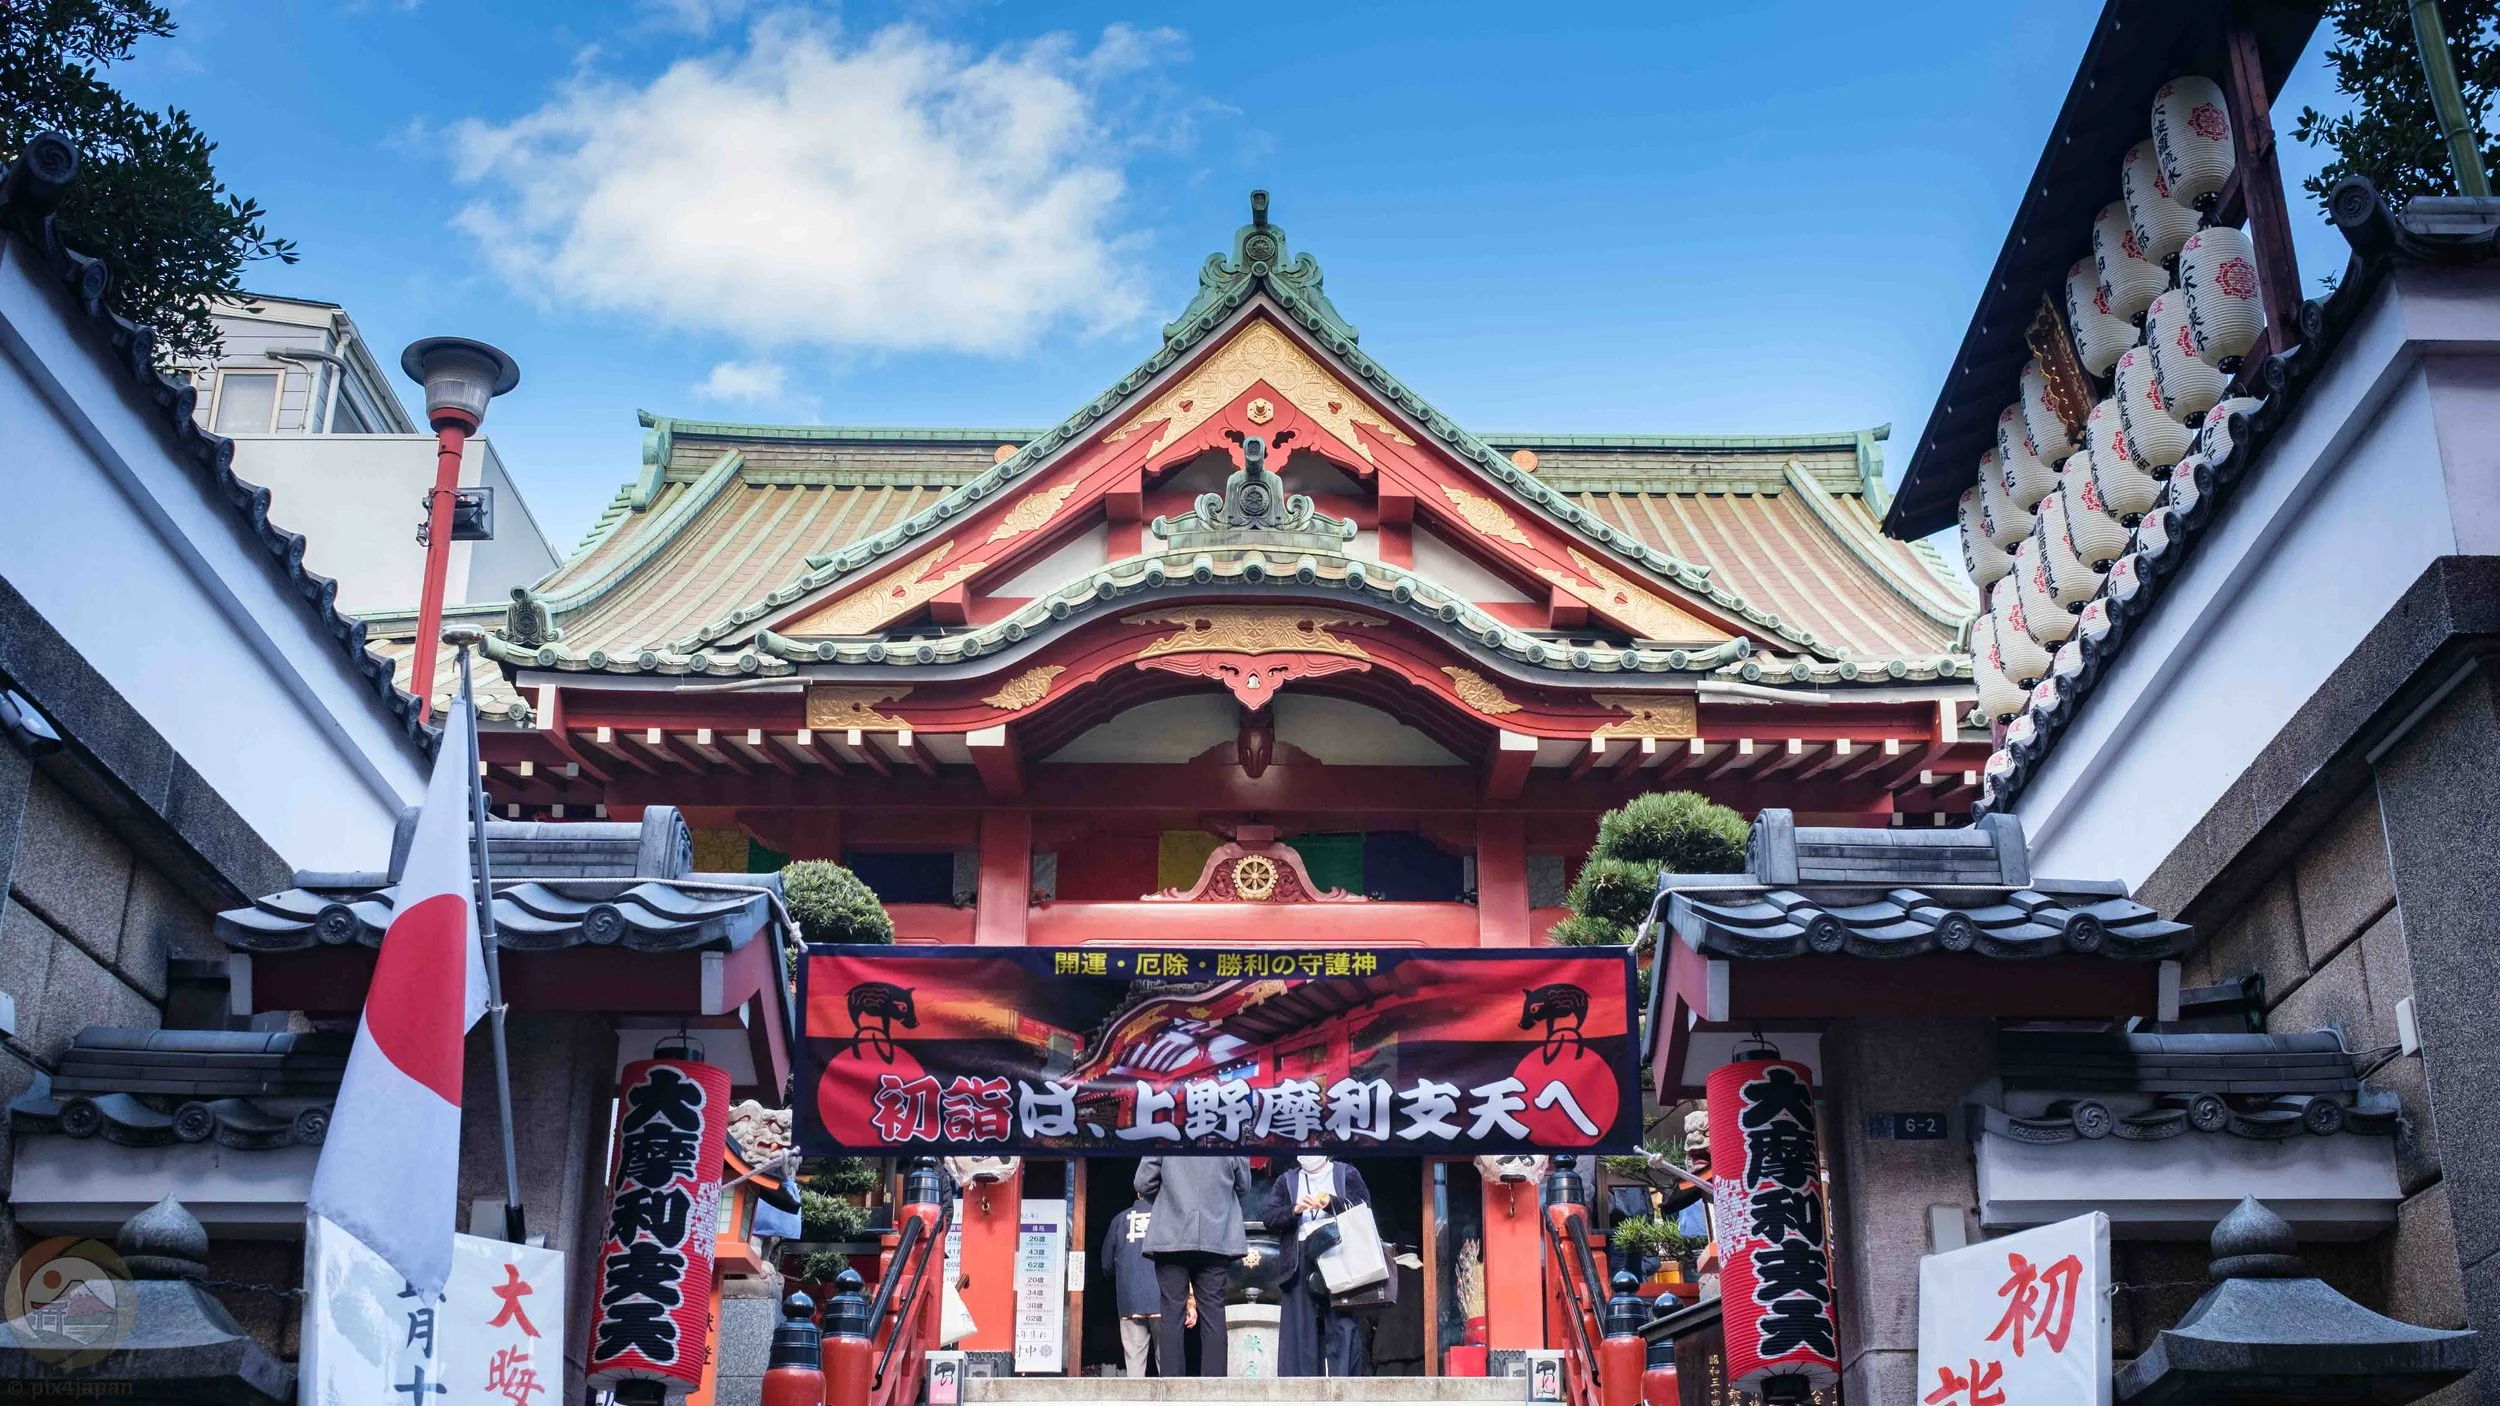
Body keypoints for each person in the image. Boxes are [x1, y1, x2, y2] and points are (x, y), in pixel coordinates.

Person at [1136, 1155, 1252, 1376]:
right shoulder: (1229, 1135)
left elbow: (1143, 1183)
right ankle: (1214, 1388)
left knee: (1171, 1311)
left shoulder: (1165, 1133)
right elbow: (1244, 1185)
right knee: (1213, 1311)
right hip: (1216, 1233)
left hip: (1171, 1232)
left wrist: (1169, 1197)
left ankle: (1171, 1387)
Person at [1260, 1153, 1373, 1377]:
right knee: (1301, 1332)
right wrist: (1295, 1209)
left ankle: (1343, 1387)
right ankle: (1300, 1393)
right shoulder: (1288, 1180)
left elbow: (1363, 1206)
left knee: (1342, 1325)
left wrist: (1331, 1202)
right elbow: (1268, 1216)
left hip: (1339, 1253)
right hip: (1300, 1257)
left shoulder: (1344, 1172)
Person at [1104, 1201, 1160, 1377]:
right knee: (1167, 1358)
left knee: (1134, 1360)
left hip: (1130, 1298)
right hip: (1162, 1297)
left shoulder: (1120, 1219)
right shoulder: (1166, 1217)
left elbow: (1106, 1264)